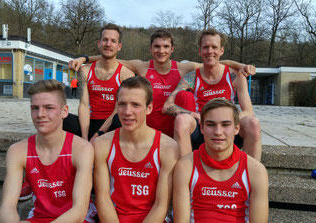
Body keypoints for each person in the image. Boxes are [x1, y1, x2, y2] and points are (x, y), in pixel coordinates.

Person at [68, 29, 255, 137]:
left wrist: (240, 65)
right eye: (157, 46)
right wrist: (85, 58)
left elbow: (214, 61)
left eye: (166, 46)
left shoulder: (183, 68)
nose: (161, 50)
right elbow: (110, 57)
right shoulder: (142, 67)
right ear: (151, 48)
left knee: (185, 97)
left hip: (173, 130)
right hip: (147, 132)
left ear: (172, 49)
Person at [0, 79, 95, 222]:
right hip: (39, 217)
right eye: (35, 108)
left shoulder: (82, 149)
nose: (40, 114)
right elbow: (7, 207)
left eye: (49, 108)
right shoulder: (17, 151)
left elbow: (79, 211)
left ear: (64, 111)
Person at [163, 29, 261, 160]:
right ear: (200, 51)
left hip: (228, 131)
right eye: (206, 47)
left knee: (253, 123)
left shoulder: (235, 76)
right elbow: (167, 106)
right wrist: (193, 114)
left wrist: (228, 120)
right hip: (203, 130)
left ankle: (250, 174)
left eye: (214, 47)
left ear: (221, 50)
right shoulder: (192, 77)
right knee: (182, 120)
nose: (210, 51)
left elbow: (249, 111)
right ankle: (185, 172)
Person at [92, 76, 179, 222]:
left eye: (135, 105)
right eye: (122, 104)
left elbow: (161, 205)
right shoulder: (102, 144)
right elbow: (102, 198)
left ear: (149, 108)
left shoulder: (168, 147)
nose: (127, 112)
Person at [173, 98, 269, 222]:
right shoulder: (186, 166)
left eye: (225, 124)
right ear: (201, 128)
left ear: (237, 128)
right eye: (210, 124)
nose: (218, 132)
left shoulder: (256, 170)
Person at [63, 23, 135, 141]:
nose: (108, 44)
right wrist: (85, 138)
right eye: (105, 40)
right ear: (99, 43)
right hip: (90, 122)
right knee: (61, 118)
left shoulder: (126, 74)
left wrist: (99, 134)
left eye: (113, 41)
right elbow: (84, 105)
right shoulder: (84, 71)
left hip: (112, 124)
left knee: (120, 119)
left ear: (119, 46)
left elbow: (119, 109)